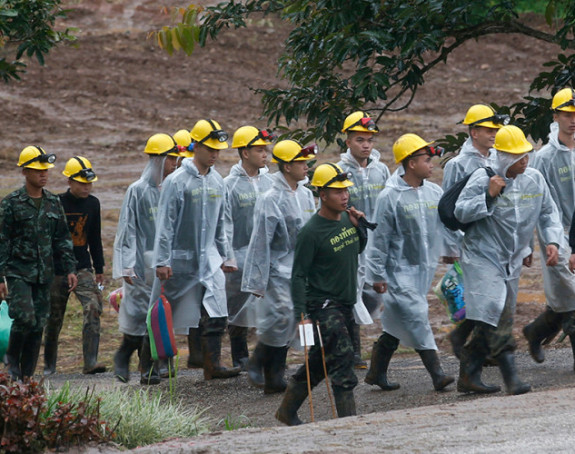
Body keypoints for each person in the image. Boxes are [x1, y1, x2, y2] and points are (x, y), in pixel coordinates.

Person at [455, 125, 562, 395]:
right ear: (502, 157)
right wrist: (488, 195)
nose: (524, 161)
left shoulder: (534, 179)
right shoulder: (483, 178)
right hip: (482, 255)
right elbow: (460, 212)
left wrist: (552, 241)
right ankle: (511, 377)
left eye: (526, 155)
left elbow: (548, 213)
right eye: (517, 157)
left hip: (511, 258)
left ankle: (467, 370)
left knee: (496, 314)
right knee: (496, 308)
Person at [150, 119, 241, 382]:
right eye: (210, 148)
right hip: (180, 257)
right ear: (196, 146)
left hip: (209, 256)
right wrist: (162, 260)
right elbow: (165, 224)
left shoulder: (217, 182)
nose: (215, 154)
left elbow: (223, 222)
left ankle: (212, 365)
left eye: (218, 149)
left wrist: (227, 255)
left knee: (217, 309)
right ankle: (153, 365)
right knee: (163, 310)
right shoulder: (177, 181)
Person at [276, 163, 366, 425]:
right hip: (325, 306)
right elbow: (298, 275)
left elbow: (357, 249)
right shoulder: (311, 232)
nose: (344, 196)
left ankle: (286, 411)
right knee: (342, 361)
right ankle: (348, 423)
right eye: (337, 192)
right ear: (322, 195)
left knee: (319, 361)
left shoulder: (346, 221)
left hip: (346, 303)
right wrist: (302, 314)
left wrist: (359, 227)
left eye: (345, 191)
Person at [365, 133, 455, 392]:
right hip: (398, 271)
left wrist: (450, 251)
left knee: (397, 320)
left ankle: (376, 372)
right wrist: (377, 275)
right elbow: (379, 240)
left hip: (423, 269)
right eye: (426, 160)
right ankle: (437, 374)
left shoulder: (434, 192)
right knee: (417, 314)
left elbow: (444, 227)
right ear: (411, 163)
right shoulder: (389, 197)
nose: (431, 165)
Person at [241, 139, 316, 394]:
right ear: (286, 166)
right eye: (300, 162)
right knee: (280, 317)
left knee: (293, 319)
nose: (306, 167)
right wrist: (257, 280)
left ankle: (274, 377)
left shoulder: (306, 194)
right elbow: (260, 241)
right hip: (276, 269)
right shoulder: (270, 198)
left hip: (299, 270)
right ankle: (257, 361)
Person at [0, 146, 77, 380]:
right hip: (18, 273)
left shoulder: (53, 202)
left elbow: (62, 238)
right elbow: (2, 240)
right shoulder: (12, 203)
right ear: (25, 172)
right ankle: (12, 366)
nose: (43, 174)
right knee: (24, 318)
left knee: (38, 324)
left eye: (45, 170)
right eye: (37, 170)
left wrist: (70, 269)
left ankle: (27, 377)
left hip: (45, 273)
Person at [112, 133, 180, 383]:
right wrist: (127, 265)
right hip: (141, 264)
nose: (175, 163)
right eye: (171, 158)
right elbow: (127, 229)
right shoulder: (137, 191)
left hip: (165, 266)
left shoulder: (174, 189)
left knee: (158, 316)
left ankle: (152, 366)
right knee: (140, 316)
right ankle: (124, 356)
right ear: (158, 160)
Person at [442, 104, 507, 359]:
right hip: (467, 239)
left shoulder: (496, 159)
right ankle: (480, 351)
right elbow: (447, 209)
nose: (493, 133)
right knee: (482, 296)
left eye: (495, 129)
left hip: (492, 238)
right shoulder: (457, 165)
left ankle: (471, 342)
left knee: (486, 296)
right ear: (472, 132)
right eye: (487, 129)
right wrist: (451, 247)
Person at [526, 87, 575, 370]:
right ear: (555, 115)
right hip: (558, 233)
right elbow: (542, 204)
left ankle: (535, 332)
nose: (572, 119)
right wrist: (549, 240)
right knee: (571, 298)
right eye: (567, 114)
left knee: (565, 298)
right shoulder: (544, 157)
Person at [43, 156, 106, 375]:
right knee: (54, 318)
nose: (86, 187)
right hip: (57, 270)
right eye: (81, 183)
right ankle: (49, 366)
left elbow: (95, 238)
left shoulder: (93, 204)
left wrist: (99, 268)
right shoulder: (55, 202)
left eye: (89, 183)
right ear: (69, 182)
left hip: (83, 267)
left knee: (93, 308)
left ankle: (90, 362)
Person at [337, 111, 391, 369]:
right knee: (350, 295)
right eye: (360, 140)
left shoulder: (381, 170)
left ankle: (380, 350)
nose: (366, 145)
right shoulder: (339, 171)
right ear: (347, 142)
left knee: (375, 294)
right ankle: (353, 352)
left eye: (369, 140)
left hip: (377, 242)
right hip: (350, 243)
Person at [223, 126, 274, 371]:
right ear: (244, 153)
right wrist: (229, 255)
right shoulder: (229, 186)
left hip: (269, 256)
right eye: (259, 150)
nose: (265, 154)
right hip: (240, 255)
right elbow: (225, 223)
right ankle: (240, 357)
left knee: (271, 307)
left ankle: (267, 357)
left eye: (265, 149)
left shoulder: (271, 182)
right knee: (237, 308)